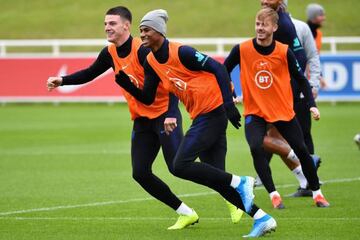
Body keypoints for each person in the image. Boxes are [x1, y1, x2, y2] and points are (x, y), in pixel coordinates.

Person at [116, 9, 277, 237]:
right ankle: (262, 218)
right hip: (201, 115)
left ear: (159, 32)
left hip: (214, 112)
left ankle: (241, 181)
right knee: (217, 181)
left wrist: (229, 105)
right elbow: (148, 97)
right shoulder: (151, 61)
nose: (141, 34)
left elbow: (219, 68)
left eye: (146, 30)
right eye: (140, 30)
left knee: (180, 165)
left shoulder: (182, 52)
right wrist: (128, 85)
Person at [47, 6, 200, 230]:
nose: (107, 28)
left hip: (163, 116)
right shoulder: (109, 52)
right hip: (141, 119)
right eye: (105, 24)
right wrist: (62, 80)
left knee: (178, 167)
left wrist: (170, 113)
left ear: (126, 26)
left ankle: (230, 189)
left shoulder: (143, 50)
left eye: (112, 24)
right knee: (140, 173)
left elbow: (169, 80)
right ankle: (186, 213)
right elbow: (90, 73)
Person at [224, 8, 330, 210]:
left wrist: (312, 106)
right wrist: (229, 88)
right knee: (256, 147)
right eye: (257, 24)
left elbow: (301, 79)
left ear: (274, 27)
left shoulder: (283, 51)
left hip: (282, 111)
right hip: (255, 112)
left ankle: (317, 193)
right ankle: (274, 194)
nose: (260, 28)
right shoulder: (242, 49)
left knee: (302, 150)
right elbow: (223, 69)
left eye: (264, 25)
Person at [307, 3, 327, 89]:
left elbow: (315, 58)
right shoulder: (304, 32)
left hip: (312, 77)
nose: (324, 18)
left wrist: (319, 76)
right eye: (321, 15)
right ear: (313, 17)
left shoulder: (319, 34)